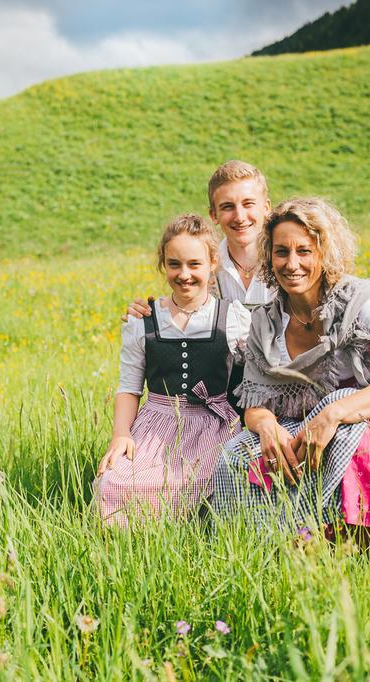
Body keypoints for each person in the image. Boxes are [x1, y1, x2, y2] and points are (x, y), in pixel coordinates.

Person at [211, 198, 370, 562]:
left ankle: (355, 538)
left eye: (304, 250)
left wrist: (332, 414)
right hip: (299, 425)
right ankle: (263, 543)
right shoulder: (265, 322)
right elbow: (254, 406)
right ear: (269, 257)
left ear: (325, 251)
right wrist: (269, 427)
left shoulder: (359, 301)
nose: (292, 264)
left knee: (351, 438)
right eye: (281, 252)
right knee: (234, 455)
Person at [94, 214, 252, 526]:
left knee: (206, 484)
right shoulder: (143, 321)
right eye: (174, 264)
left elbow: (256, 377)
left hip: (214, 424)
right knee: (114, 483)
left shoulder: (232, 318)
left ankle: (197, 536)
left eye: (194, 264)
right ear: (163, 264)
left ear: (212, 264)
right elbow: (129, 387)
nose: (184, 274)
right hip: (155, 424)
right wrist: (121, 435)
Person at [126, 160, 276, 318]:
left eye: (248, 204)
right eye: (227, 207)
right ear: (214, 215)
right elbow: (180, 312)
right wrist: (146, 317)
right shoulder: (200, 265)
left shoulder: (289, 263)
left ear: (266, 208)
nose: (239, 217)